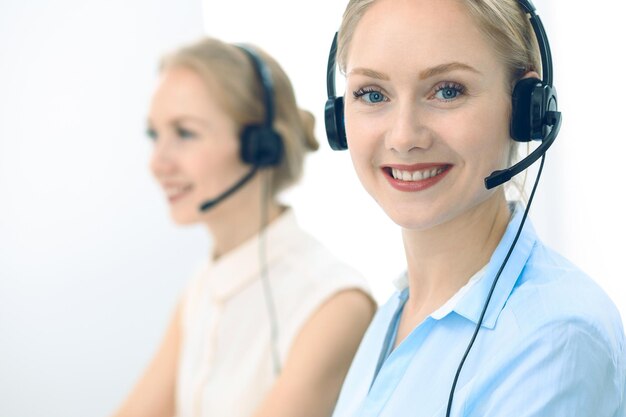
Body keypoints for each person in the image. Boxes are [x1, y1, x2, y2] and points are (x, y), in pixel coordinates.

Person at [324, 0, 626, 416]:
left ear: (525, 108)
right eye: (372, 94)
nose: (404, 136)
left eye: (448, 90)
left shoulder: (556, 336)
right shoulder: (393, 318)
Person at [112, 37, 376, 417]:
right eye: (155, 135)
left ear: (260, 145)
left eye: (185, 133)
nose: (157, 162)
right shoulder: (203, 287)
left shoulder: (332, 303)